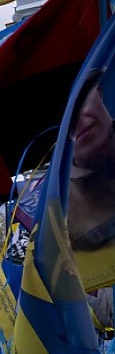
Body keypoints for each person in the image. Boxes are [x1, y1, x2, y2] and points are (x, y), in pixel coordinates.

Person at [66, 71, 115, 250]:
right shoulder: (58, 215)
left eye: (79, 99)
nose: (75, 120)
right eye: (61, 114)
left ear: (99, 92)